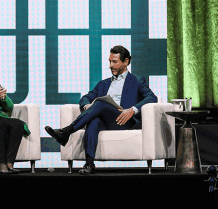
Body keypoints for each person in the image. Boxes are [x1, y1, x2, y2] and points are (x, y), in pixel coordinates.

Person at [45, 45, 158, 174]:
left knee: (100, 103)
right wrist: (87, 107)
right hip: (107, 121)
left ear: (126, 62)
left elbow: (152, 98)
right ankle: (89, 163)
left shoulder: (137, 81)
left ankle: (66, 132)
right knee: (94, 120)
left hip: (125, 121)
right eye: (110, 61)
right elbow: (85, 98)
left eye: (114, 62)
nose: (111, 65)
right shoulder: (103, 84)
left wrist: (132, 110)